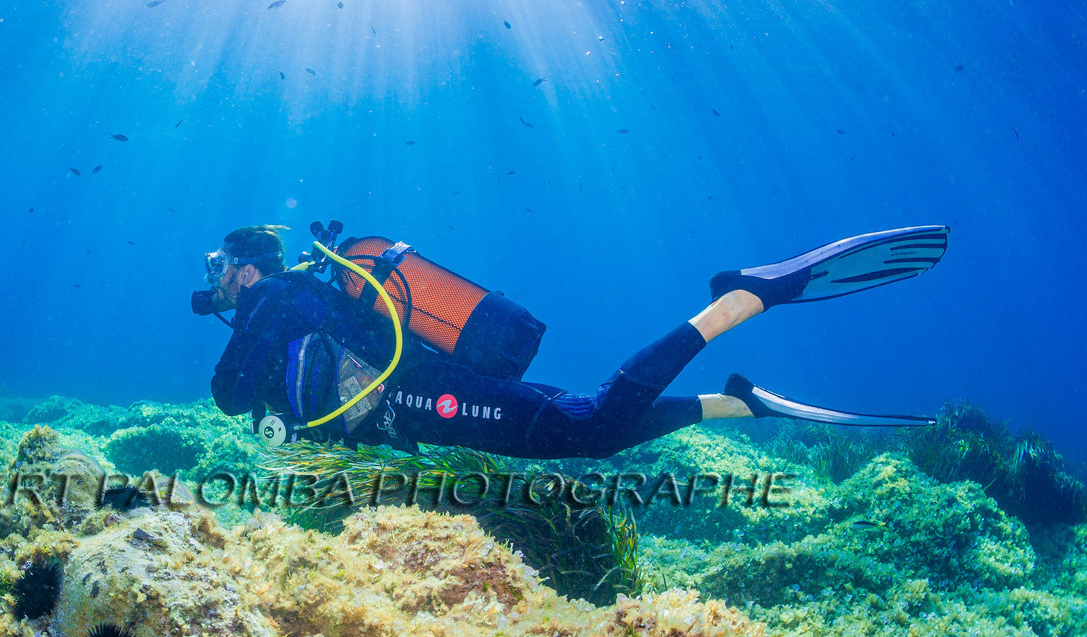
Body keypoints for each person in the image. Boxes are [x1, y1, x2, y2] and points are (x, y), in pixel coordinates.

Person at [198, 223, 948, 459]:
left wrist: (238, 323)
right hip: (425, 390)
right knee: (592, 417)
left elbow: (229, 396)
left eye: (221, 269)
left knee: (588, 430)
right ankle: (738, 405)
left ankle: (741, 301)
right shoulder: (302, 293)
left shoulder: (271, 298)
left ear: (245, 268)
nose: (219, 281)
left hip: (418, 398)